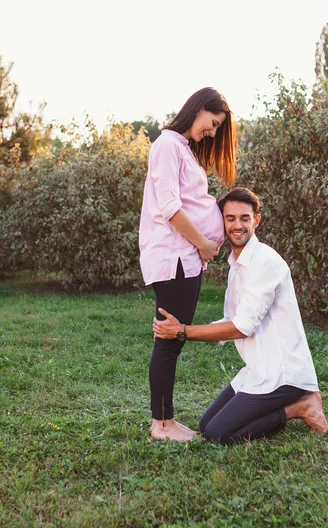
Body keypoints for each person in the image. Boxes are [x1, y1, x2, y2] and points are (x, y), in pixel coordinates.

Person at [153, 187, 328, 443]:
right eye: (230, 218)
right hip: (257, 369)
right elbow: (230, 321)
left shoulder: (265, 263)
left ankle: (299, 407)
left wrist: (182, 331)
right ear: (222, 222)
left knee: (218, 433)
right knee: (205, 425)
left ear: (256, 220)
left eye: (245, 218)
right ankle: (296, 403)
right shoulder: (237, 265)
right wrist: (175, 326)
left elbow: (240, 328)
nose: (237, 225)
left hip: (282, 374)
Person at [139, 87, 237, 441]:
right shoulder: (167, 145)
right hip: (174, 256)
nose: (211, 132)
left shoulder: (182, 149)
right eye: (212, 123)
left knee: (174, 339)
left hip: (186, 258)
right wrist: (204, 245)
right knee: (169, 338)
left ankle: (165, 421)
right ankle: (161, 425)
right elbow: (169, 207)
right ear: (198, 110)